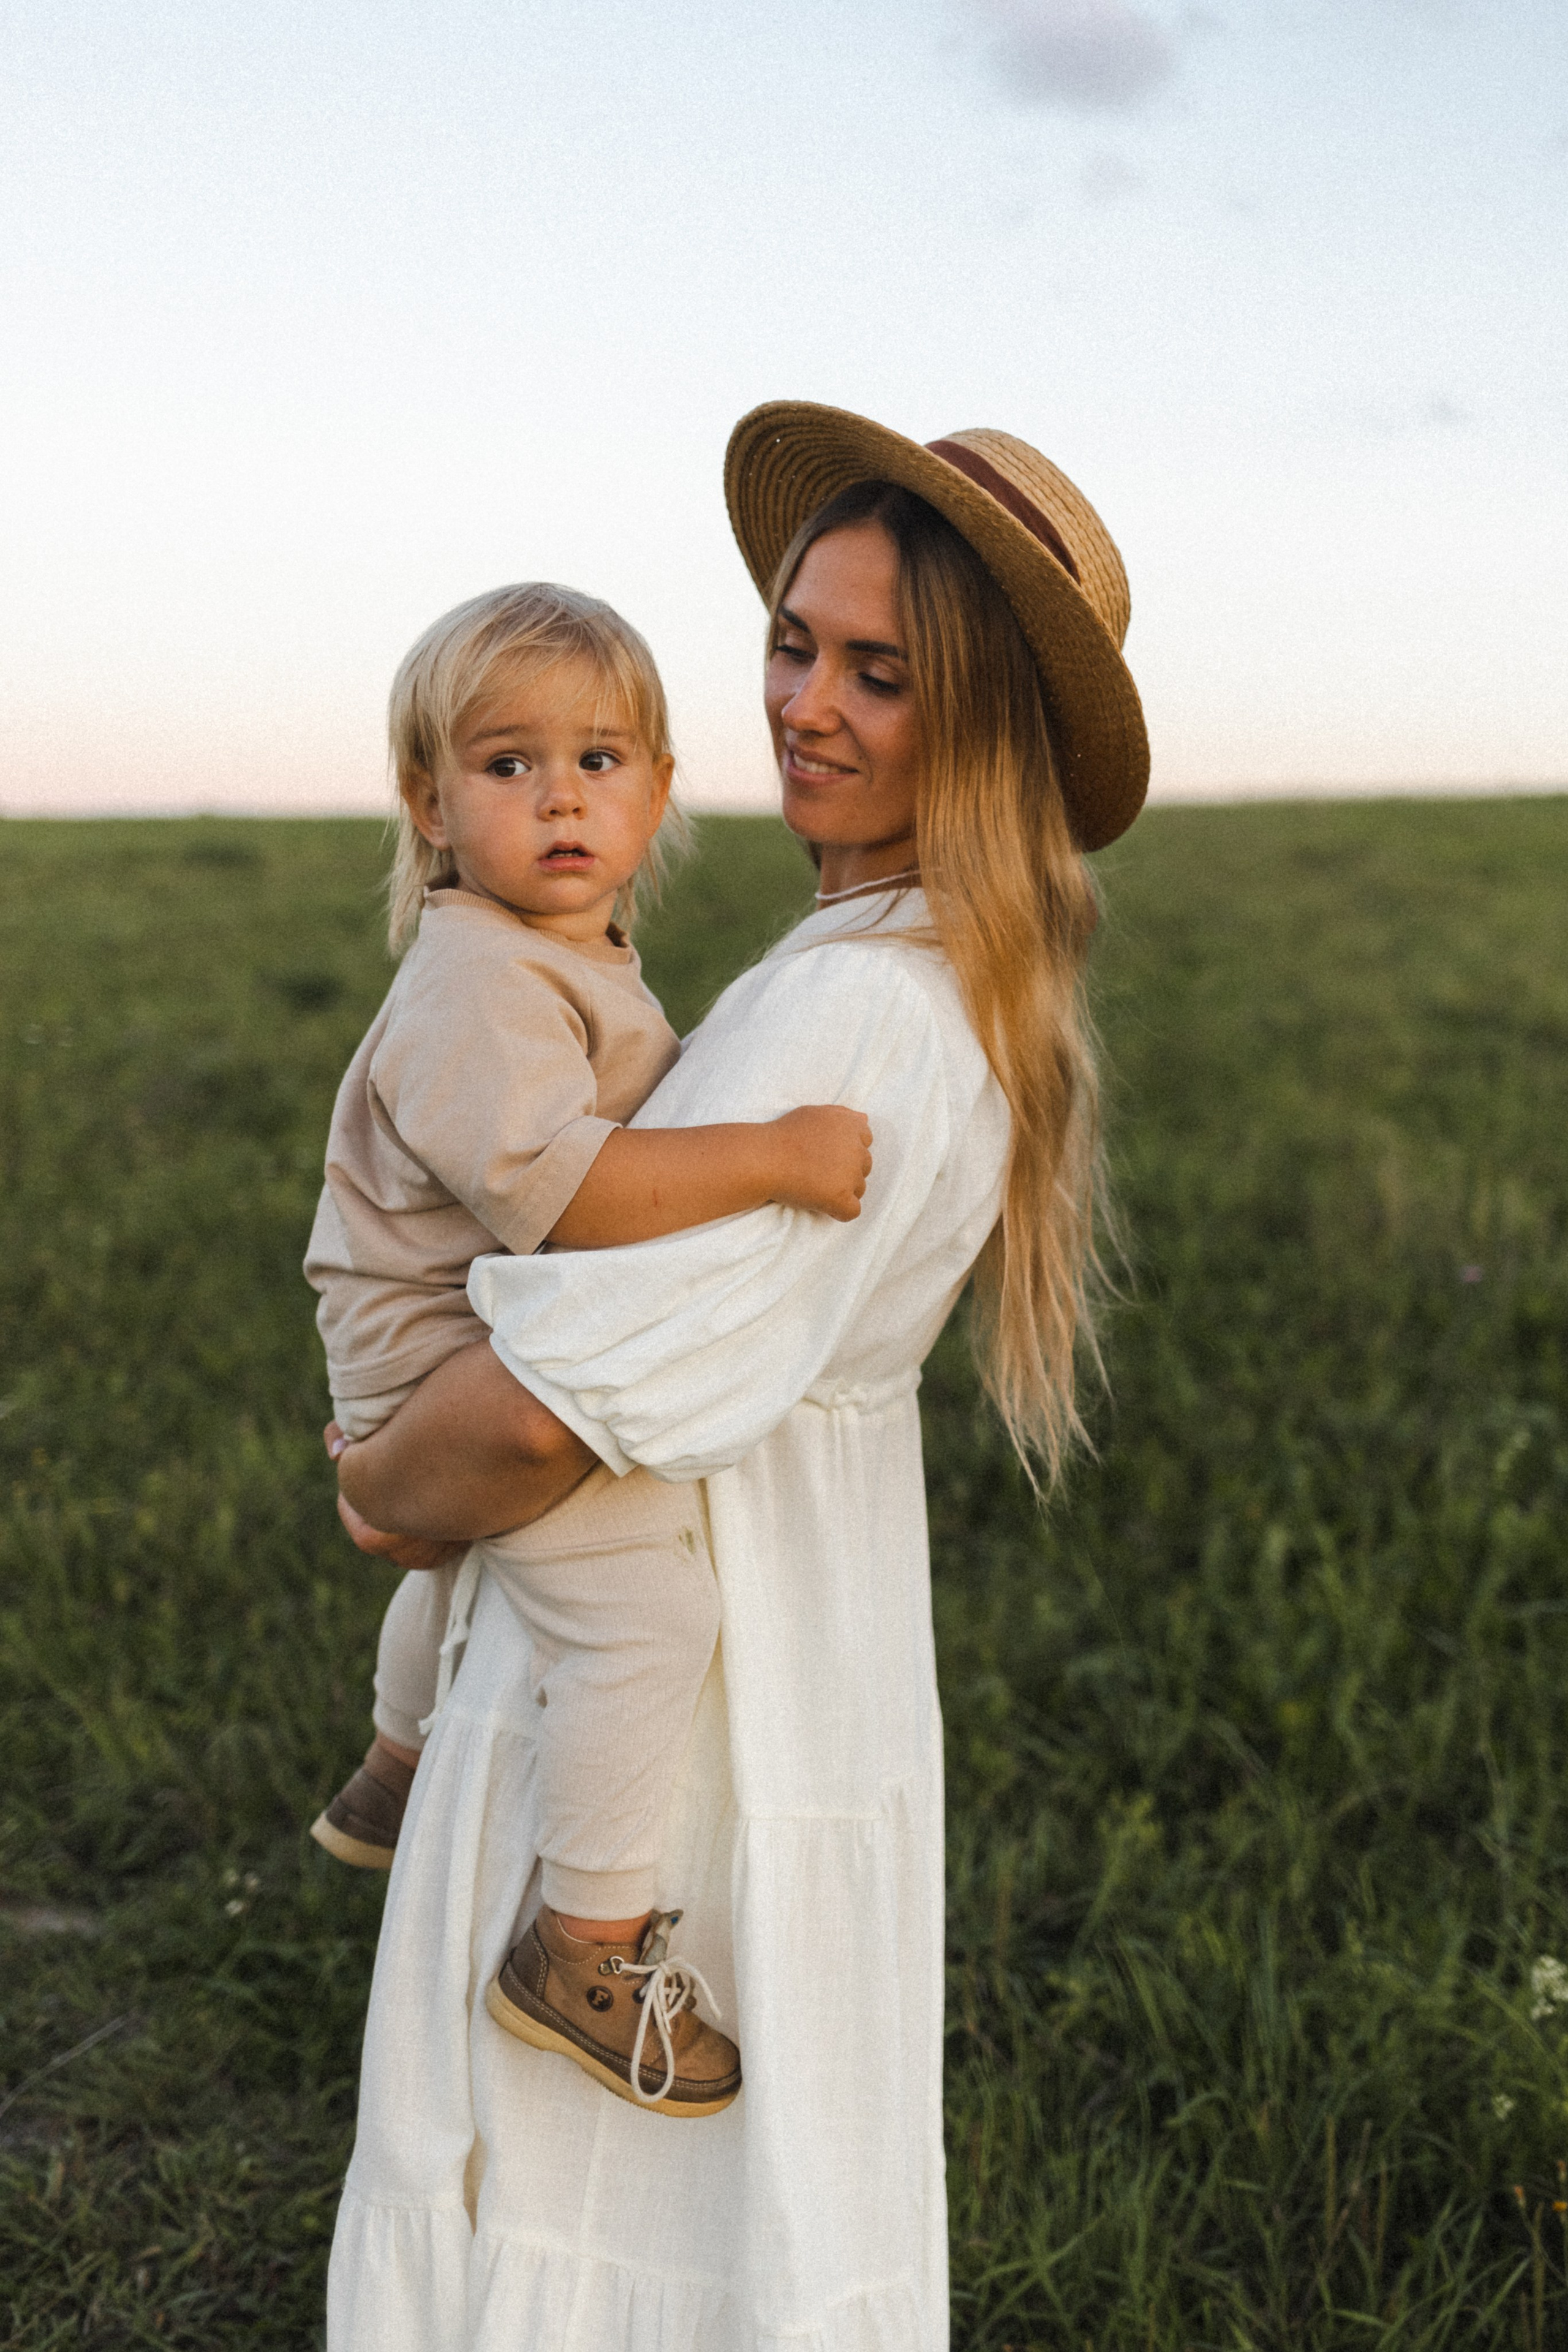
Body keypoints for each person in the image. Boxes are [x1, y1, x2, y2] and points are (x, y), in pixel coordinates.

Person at [323, 403, 1149, 2351]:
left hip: (702, 1665)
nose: (814, 706)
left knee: (598, 2210)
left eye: (884, 672)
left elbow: (543, 1405)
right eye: (796, 642)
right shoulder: (896, 963)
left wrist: (380, 1496)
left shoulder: (858, 1005)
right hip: (789, 1617)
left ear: (987, 726)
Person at [304, 580, 873, 2114]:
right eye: (506, 765)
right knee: (643, 1617)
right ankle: (584, 1941)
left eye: (601, 761)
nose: (561, 794)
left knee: (482, 1555)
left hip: (438, 1341)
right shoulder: (480, 980)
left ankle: (398, 1760)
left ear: (661, 792)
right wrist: (775, 1155)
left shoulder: (558, 953)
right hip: (442, 1361)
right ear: (430, 802)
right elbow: (564, 1199)